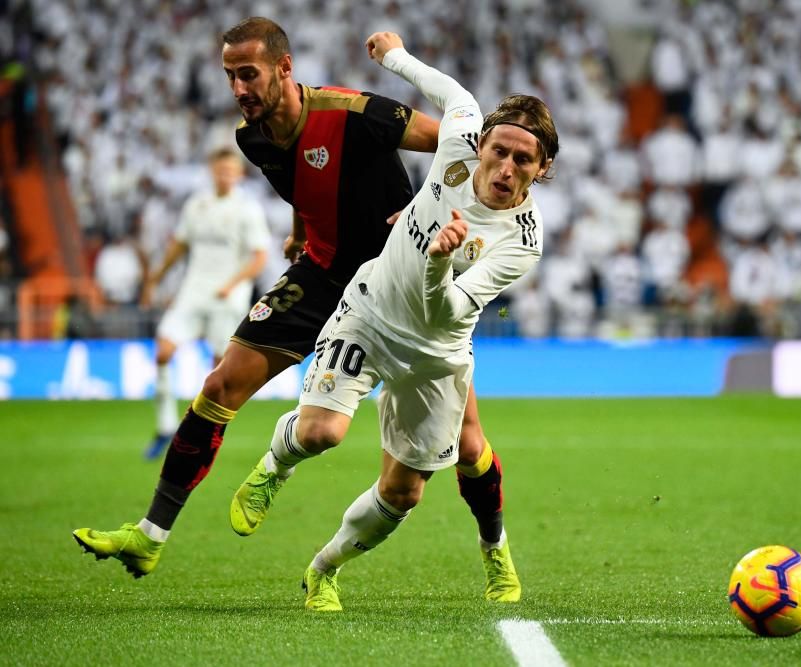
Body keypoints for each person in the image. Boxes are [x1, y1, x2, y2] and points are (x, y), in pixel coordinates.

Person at [72, 18, 522, 602]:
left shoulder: (354, 113)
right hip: (325, 273)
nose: (238, 88)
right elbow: (300, 184)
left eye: (248, 74)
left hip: (401, 275)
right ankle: (150, 534)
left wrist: (426, 219)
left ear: (284, 69)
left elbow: (459, 147)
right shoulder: (252, 137)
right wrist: (299, 231)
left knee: (466, 446)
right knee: (221, 384)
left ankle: (496, 549)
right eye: (230, 76)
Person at [228, 30, 557, 611]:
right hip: (371, 312)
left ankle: (324, 568)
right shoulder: (458, 140)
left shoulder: (522, 242)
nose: (505, 167)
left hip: (437, 353)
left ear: (542, 169)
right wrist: (396, 57)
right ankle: (273, 465)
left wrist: (435, 265)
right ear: (481, 144)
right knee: (320, 433)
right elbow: (451, 90)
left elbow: (450, 309)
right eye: (498, 150)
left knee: (403, 494)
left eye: (522, 160)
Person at [142, 147, 270, 459]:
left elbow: (259, 258)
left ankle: (203, 435)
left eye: (231, 170)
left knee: (218, 374)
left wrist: (232, 285)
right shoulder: (196, 205)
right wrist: (156, 278)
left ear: (239, 174)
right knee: (163, 352)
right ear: (212, 171)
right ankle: (164, 426)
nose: (225, 175)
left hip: (228, 298)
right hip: (193, 292)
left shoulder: (247, 209)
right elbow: (179, 245)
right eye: (220, 170)